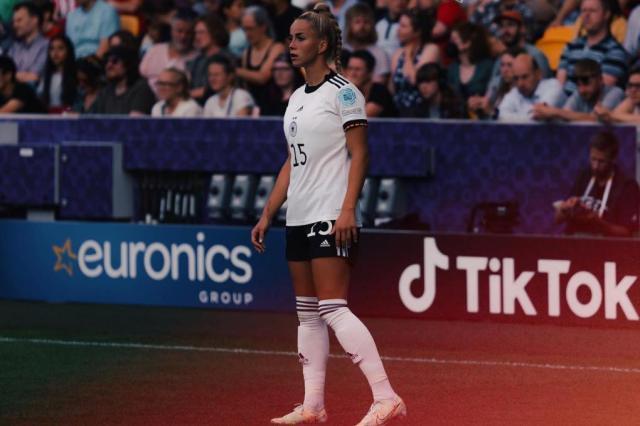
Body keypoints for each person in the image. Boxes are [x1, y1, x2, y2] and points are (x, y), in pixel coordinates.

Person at [251, 4, 406, 425]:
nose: (291, 45)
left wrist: (348, 209)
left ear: (322, 44)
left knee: (333, 308)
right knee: (307, 312)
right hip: (299, 213)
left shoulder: (345, 92)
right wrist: (268, 212)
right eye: (290, 37)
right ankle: (313, 406)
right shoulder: (297, 97)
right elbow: (292, 160)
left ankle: (386, 397)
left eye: (300, 38)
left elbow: (361, 154)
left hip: (330, 211)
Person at [554, 130, 639, 237]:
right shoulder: (584, 175)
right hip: (575, 240)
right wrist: (566, 209)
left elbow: (627, 233)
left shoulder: (627, 186)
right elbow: (557, 219)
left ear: (613, 159)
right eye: (593, 159)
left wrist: (597, 222)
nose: (595, 166)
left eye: (601, 161)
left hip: (605, 244)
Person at [556, 0, 629, 95]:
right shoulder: (571, 46)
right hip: (563, 100)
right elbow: (559, 86)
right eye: (583, 11)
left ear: (606, 14)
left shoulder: (615, 52)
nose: (586, 15)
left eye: (592, 11)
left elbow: (599, 92)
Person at [532, 58, 624, 122]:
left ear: (600, 80)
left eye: (586, 83)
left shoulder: (615, 93)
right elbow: (566, 114)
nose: (581, 90)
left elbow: (596, 119)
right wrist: (547, 114)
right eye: (578, 84)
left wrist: (555, 112)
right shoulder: (579, 94)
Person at [390, 8, 439, 116]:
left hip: (422, 112)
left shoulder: (431, 49)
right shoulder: (397, 54)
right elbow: (393, 88)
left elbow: (415, 80)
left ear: (417, 32)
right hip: (399, 112)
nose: (398, 30)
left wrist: (408, 55)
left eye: (403, 26)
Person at [235, 5, 285, 112]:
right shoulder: (247, 52)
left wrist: (234, 70)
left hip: (273, 106)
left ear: (263, 27)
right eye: (245, 29)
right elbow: (246, 85)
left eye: (250, 29)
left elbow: (262, 77)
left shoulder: (277, 48)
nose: (247, 34)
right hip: (254, 107)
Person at [140, 9, 197, 95]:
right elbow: (142, 75)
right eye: (179, 31)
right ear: (171, 31)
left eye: (188, 33)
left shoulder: (196, 58)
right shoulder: (155, 50)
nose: (183, 36)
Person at [498, 53, 566, 121]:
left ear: (538, 74)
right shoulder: (515, 92)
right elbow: (500, 116)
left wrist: (510, 117)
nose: (520, 84)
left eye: (525, 77)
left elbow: (538, 117)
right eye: (516, 78)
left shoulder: (553, 87)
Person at [91, 46, 156, 114]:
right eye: (106, 61)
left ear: (128, 64)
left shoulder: (141, 89)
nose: (109, 65)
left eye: (115, 61)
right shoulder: (106, 91)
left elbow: (135, 119)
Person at [493, 10, 550, 78]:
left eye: (510, 25)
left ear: (522, 29)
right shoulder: (501, 58)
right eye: (501, 26)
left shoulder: (535, 55)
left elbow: (544, 82)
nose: (505, 30)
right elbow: (493, 83)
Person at [446, 22, 494, 103]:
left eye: (454, 39)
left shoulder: (487, 66)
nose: (451, 43)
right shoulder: (452, 68)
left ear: (467, 43)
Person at [186, 13, 230, 102]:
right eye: (196, 33)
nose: (197, 37)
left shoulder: (226, 58)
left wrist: (188, 94)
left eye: (201, 32)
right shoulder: (196, 60)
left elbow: (219, 87)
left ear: (214, 33)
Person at [343, 3, 390, 84]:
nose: (362, 26)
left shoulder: (379, 54)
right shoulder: (341, 51)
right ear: (349, 25)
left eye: (366, 22)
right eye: (357, 22)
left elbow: (379, 83)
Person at [468, 47, 519, 119]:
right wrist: (479, 104)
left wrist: (491, 111)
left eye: (509, 65)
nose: (505, 70)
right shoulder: (496, 82)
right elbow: (487, 102)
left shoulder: (523, 90)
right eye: (502, 65)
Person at [345, 49, 396, 117]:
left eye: (357, 69)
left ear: (370, 72)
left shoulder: (380, 91)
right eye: (350, 68)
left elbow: (359, 117)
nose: (352, 73)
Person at [8, 2, 49, 84]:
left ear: (34, 20)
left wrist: (9, 76)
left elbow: (34, 77)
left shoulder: (46, 46)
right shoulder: (15, 47)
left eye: (19, 20)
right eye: (14, 21)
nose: (15, 25)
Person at [38, 35, 77, 112]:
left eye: (60, 48)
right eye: (52, 49)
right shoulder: (45, 76)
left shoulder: (76, 75)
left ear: (68, 51)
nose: (55, 53)